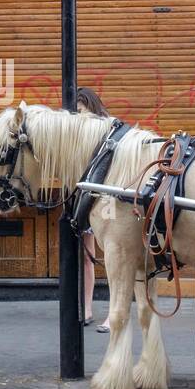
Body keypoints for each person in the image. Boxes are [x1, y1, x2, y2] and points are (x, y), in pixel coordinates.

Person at [76, 86, 111, 333]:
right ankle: (86, 307)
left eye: (82, 111)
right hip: (85, 195)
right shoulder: (75, 132)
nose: (79, 117)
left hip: (107, 197)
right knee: (86, 256)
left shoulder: (108, 128)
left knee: (112, 256)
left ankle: (112, 313)